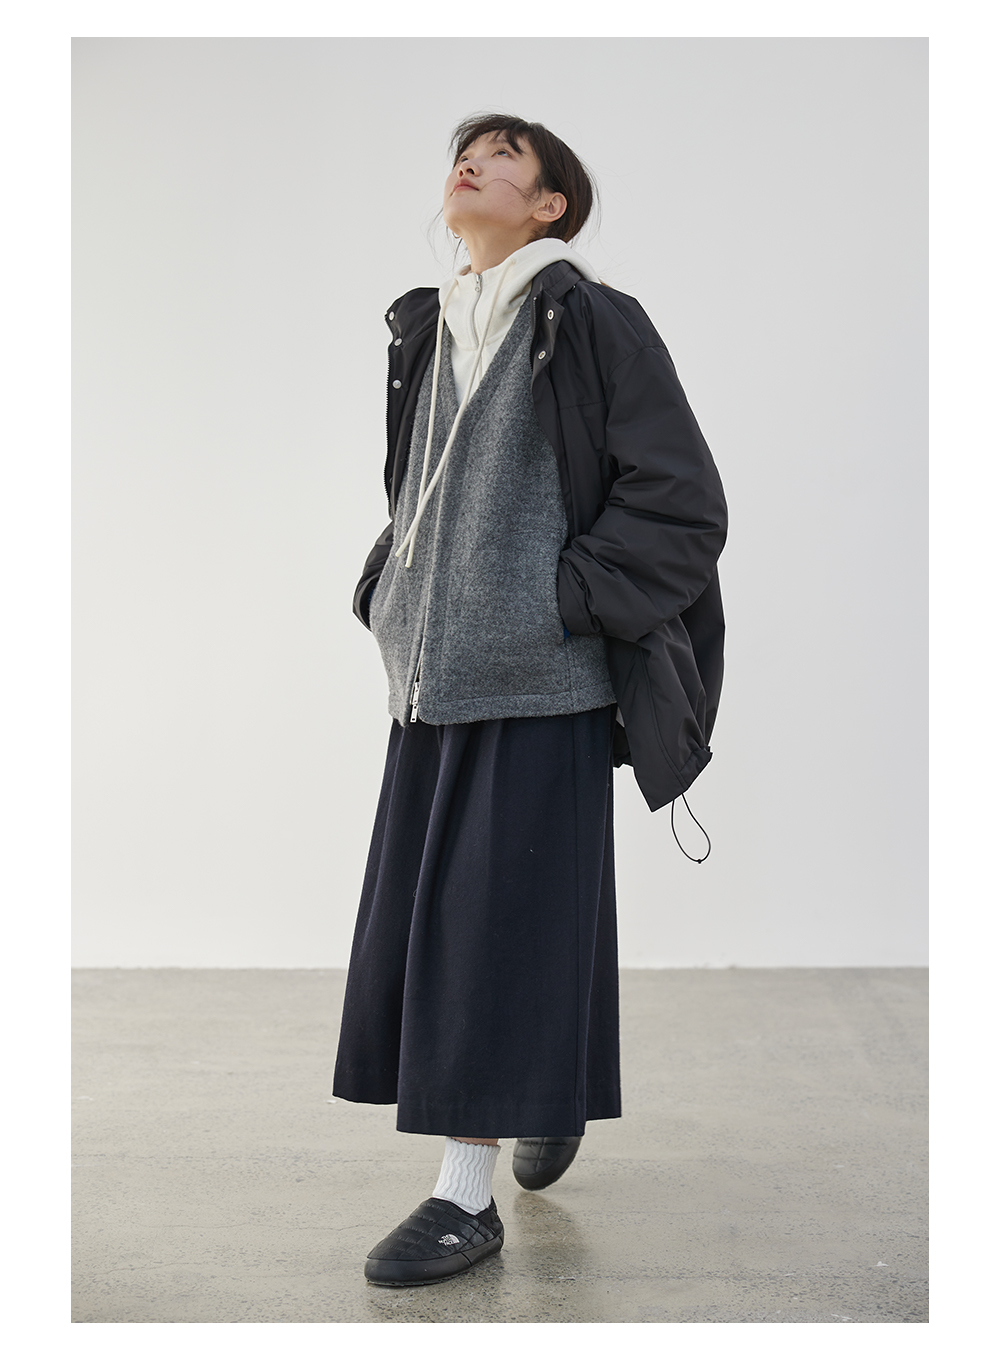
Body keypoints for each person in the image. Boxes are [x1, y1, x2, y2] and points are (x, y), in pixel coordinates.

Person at [332, 112, 728, 1288]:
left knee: (489, 932)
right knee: (448, 926)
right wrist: (389, 589)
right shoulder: (430, 326)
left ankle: (467, 1201)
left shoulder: (589, 319)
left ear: (551, 205)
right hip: (431, 682)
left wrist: (553, 604)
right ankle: (540, 1092)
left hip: (540, 682)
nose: (474, 162)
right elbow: (419, 494)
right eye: (468, 150)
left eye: (507, 154)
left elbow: (681, 503)